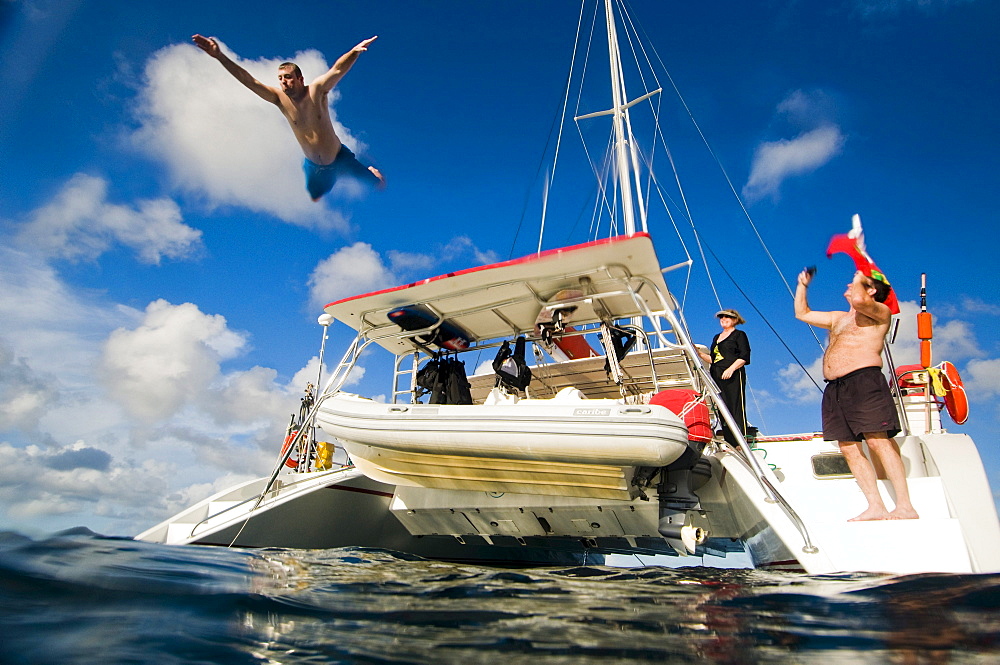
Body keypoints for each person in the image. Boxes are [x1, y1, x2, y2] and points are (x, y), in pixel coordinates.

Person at [191, 34, 385, 200]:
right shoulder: (279, 99)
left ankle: (370, 172)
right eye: (281, 79)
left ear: (300, 79)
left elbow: (336, 69)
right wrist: (219, 56)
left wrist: (354, 52)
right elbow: (249, 80)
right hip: (315, 166)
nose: (284, 82)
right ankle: (325, 183)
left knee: (376, 183)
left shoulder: (316, 91)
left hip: (340, 158)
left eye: (288, 77)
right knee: (315, 195)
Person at [795, 267, 919, 521]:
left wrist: (860, 271)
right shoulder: (838, 318)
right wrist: (802, 286)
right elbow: (802, 313)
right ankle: (876, 506)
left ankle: (905, 506)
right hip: (835, 388)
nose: (850, 286)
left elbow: (862, 300)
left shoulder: (879, 312)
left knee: (877, 440)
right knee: (848, 447)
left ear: (871, 289)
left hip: (864, 381)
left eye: (856, 283)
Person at [698, 309, 751, 446]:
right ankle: (729, 441)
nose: (723, 319)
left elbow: (744, 356)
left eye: (727, 317)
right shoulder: (716, 337)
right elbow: (714, 359)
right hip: (717, 374)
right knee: (722, 407)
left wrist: (731, 369)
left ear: (735, 320)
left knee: (735, 406)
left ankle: (740, 441)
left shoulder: (739, 335)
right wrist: (698, 353)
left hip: (733, 374)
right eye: (721, 317)